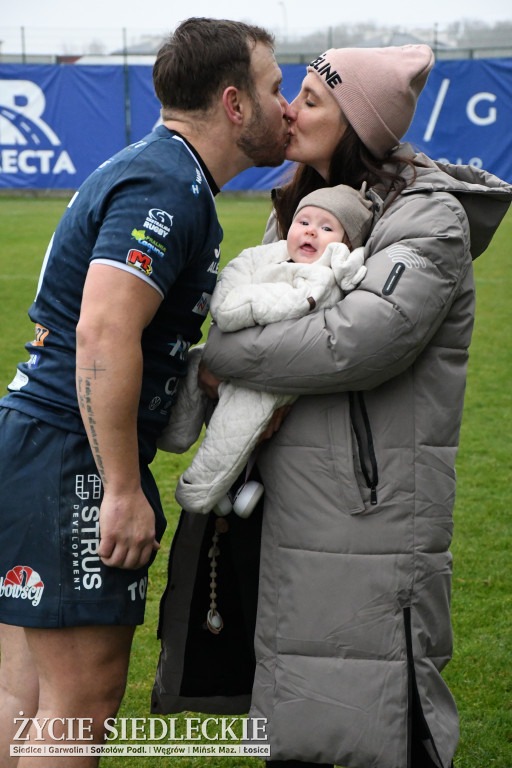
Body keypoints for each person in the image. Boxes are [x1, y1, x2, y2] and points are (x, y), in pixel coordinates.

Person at [152, 44, 512, 768]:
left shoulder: (428, 220)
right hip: (292, 511)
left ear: (359, 123)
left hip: (370, 523)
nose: (290, 109)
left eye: (312, 99)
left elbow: (352, 343)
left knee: (373, 726)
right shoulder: (303, 210)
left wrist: (217, 358)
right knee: (294, 716)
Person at [0, 17, 291, 766]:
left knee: (27, 697)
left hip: (38, 444)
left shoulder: (164, 170)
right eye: (275, 88)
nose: (286, 106)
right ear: (234, 103)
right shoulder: (167, 183)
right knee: (79, 707)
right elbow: (102, 333)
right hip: (70, 455)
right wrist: (121, 489)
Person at [158, 184, 372, 518]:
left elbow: (287, 307)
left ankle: (200, 490)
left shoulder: (325, 278)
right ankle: (175, 433)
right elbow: (234, 278)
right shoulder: (269, 256)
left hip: (274, 374)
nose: (311, 231)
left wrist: (241, 306)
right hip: (240, 353)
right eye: (304, 222)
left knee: (238, 423)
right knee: (196, 360)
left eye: (327, 228)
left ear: (345, 244)